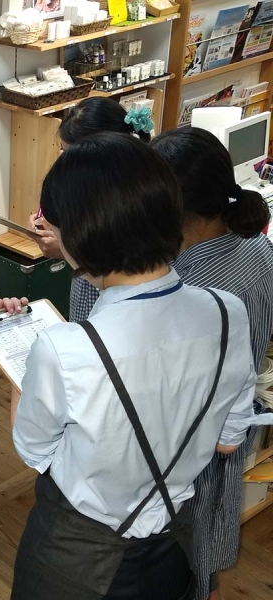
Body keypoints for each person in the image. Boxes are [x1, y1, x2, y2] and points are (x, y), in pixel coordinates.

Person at [3, 134, 256, 600]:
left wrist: (21, 358)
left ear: (81, 236)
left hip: (74, 557)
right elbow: (227, 441)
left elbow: (34, 450)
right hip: (172, 547)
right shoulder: (228, 313)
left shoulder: (62, 350)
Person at [151, 127, 273, 600]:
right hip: (229, 422)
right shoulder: (256, 247)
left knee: (181, 543)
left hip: (192, 436)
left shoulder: (193, 286)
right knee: (204, 532)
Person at [25, 97, 153, 323]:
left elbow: (115, 259)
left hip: (113, 306)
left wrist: (66, 249)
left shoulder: (129, 200)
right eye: (62, 150)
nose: (63, 162)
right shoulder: (104, 187)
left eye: (69, 153)